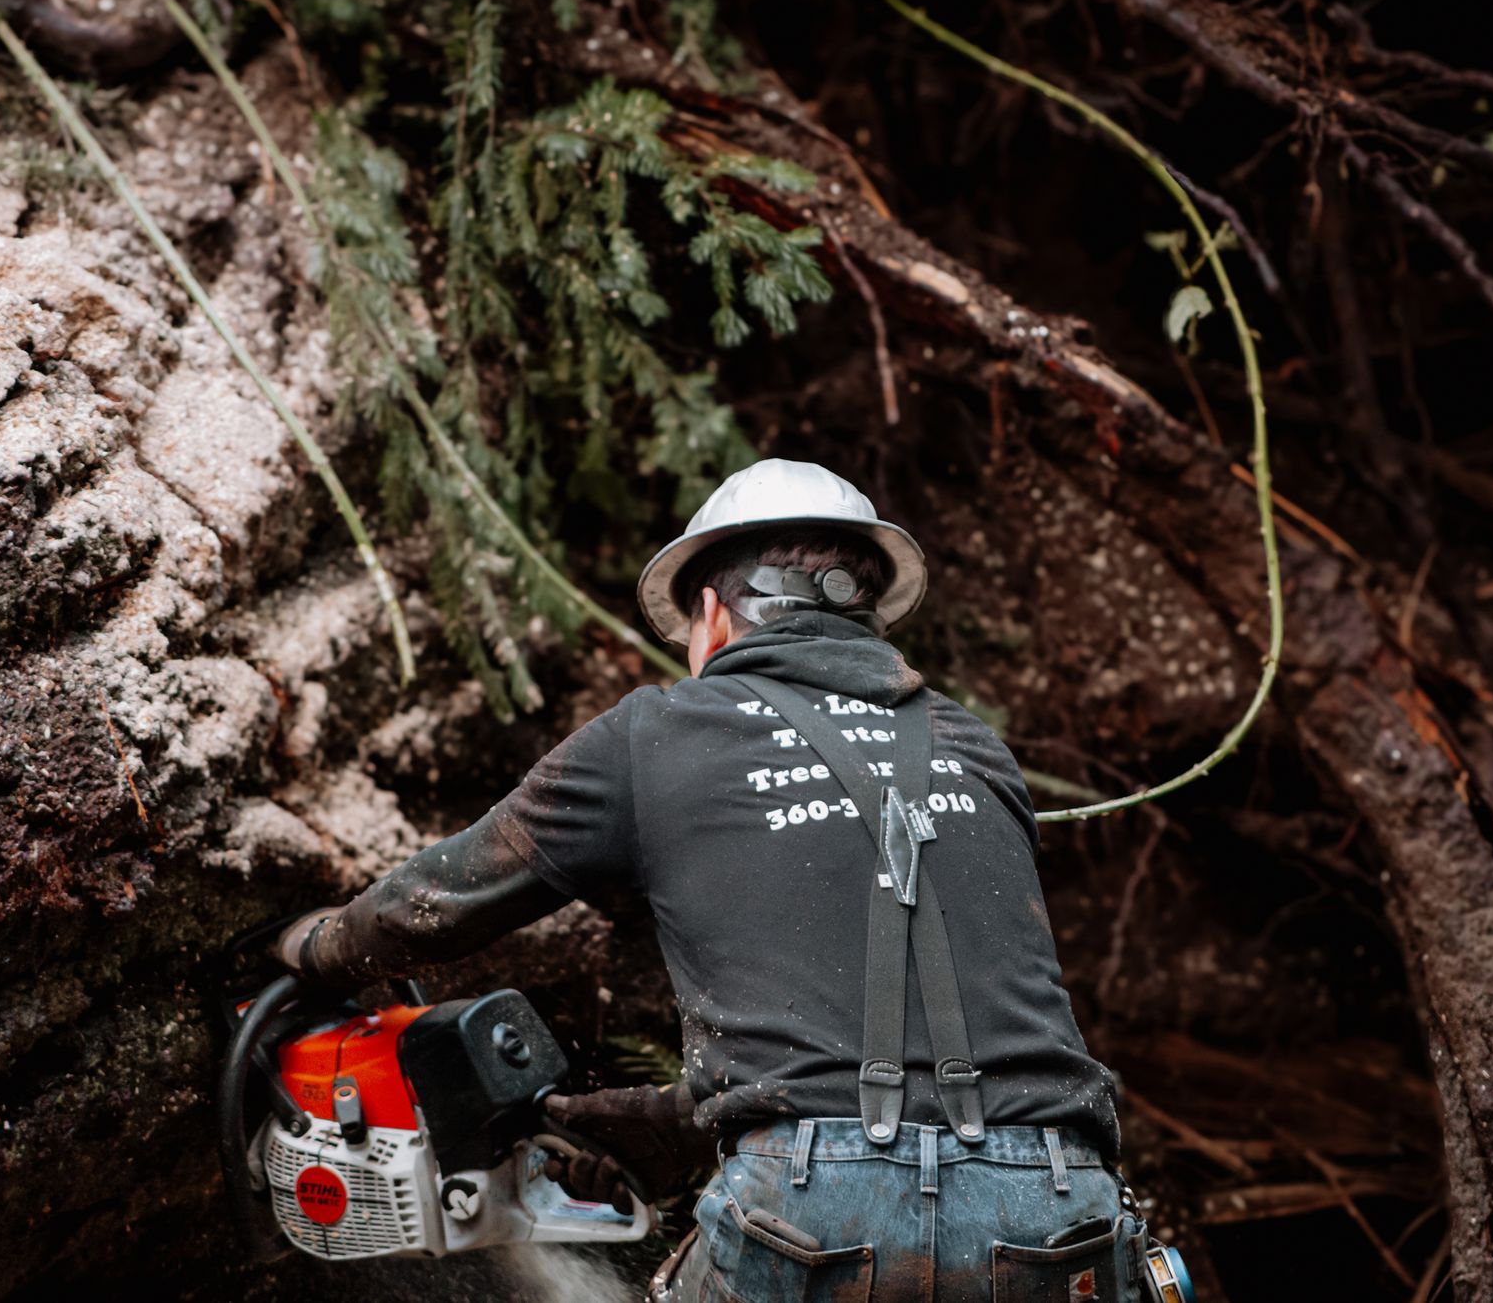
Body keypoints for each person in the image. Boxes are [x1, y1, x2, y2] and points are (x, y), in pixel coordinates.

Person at [273, 458, 1146, 1302]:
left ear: (711, 613)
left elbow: (436, 903)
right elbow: (911, 1043)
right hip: (1054, 1206)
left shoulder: (655, 735)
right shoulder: (975, 746)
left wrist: (311, 948)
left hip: (811, 1214)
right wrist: (669, 1124)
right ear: (872, 620)